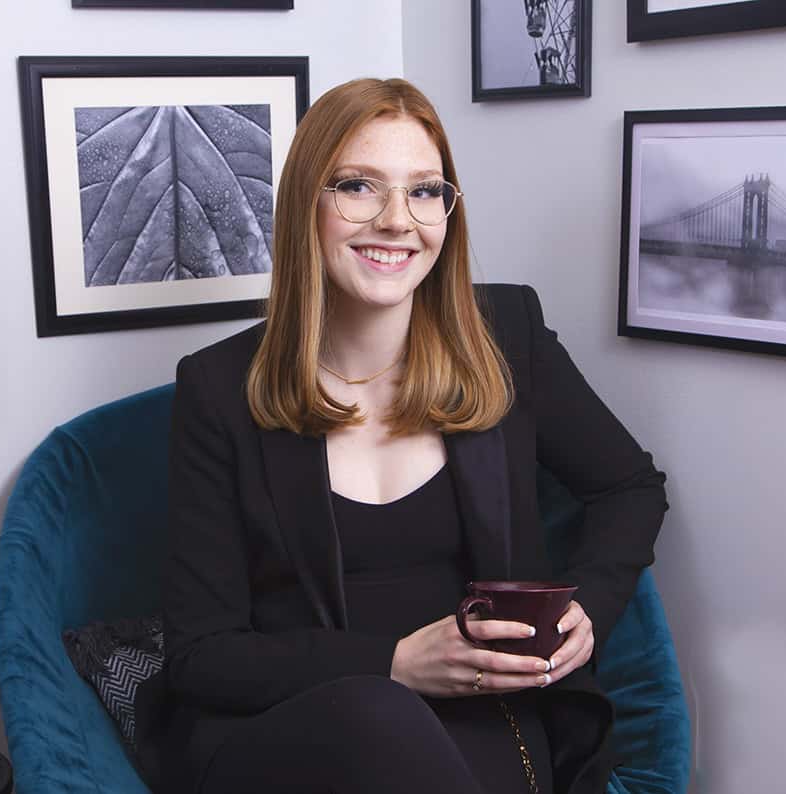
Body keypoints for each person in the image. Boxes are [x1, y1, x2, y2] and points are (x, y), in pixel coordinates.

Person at [138, 77, 667, 794]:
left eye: (424, 191)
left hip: (486, 712)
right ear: (306, 204)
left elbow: (629, 487)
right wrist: (393, 664)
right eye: (358, 187)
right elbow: (201, 656)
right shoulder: (217, 388)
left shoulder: (509, 337)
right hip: (290, 723)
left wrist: (589, 610)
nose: (397, 220)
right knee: (375, 713)